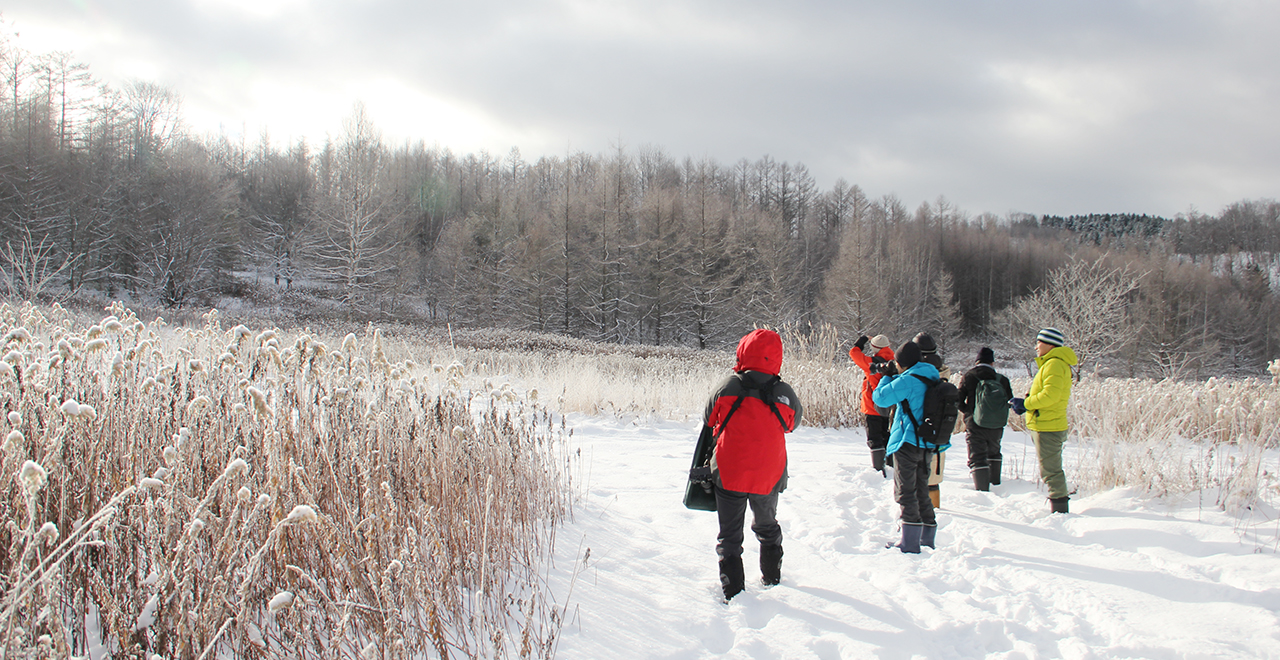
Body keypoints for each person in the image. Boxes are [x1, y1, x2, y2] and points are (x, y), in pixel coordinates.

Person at [703, 328, 803, 601]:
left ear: (743, 351)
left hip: (729, 472)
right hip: (768, 474)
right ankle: (772, 580)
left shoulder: (728, 386)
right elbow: (793, 425)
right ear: (776, 357)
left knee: (730, 537)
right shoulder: (784, 392)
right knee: (767, 525)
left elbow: (709, 418)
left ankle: (734, 594)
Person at [871, 341, 946, 553]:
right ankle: (926, 537)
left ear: (902, 362)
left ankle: (909, 541)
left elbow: (881, 399)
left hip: (907, 442)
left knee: (906, 491)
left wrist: (886, 375)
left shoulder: (909, 380)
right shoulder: (930, 375)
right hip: (926, 443)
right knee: (922, 488)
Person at [1011, 327, 1078, 514]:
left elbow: (1051, 395)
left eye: (1039, 342)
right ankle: (1058, 508)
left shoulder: (1054, 364)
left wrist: (1026, 403)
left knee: (1051, 470)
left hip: (1049, 426)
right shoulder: (1052, 364)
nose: (1036, 347)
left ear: (1049, 344)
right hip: (1047, 423)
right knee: (1049, 469)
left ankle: (1059, 512)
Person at [957, 347, 1013, 491]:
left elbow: (958, 399)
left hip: (975, 424)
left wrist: (968, 412)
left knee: (977, 456)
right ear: (992, 363)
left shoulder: (969, 376)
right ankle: (996, 484)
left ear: (977, 361)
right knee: (994, 451)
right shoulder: (1002, 380)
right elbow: (1009, 401)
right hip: (996, 425)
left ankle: (983, 491)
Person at [912, 332, 950, 508]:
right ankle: (935, 509)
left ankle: (918, 513)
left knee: (913, 475)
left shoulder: (913, 370)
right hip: (940, 426)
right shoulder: (942, 370)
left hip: (915, 426)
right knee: (933, 476)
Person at [849, 334, 894, 475]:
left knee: (875, 438)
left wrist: (862, 340)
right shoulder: (895, 361)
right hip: (890, 406)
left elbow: (854, 353)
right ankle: (892, 465)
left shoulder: (871, 363)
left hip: (872, 406)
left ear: (874, 347)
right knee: (888, 435)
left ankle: (879, 469)